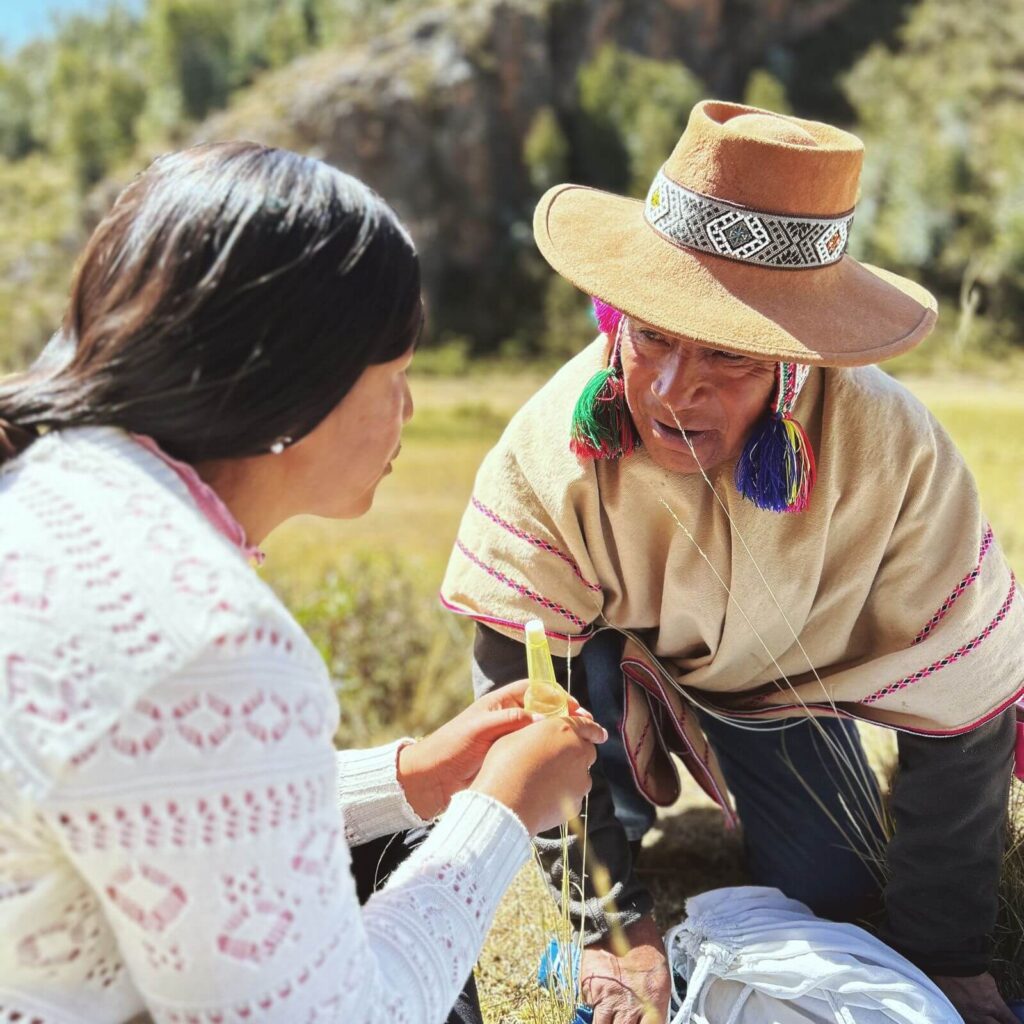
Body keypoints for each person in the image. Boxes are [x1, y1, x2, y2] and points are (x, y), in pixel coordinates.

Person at [441, 101, 1024, 1024]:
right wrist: (610, 926)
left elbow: (965, 708)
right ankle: (618, 826)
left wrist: (944, 958)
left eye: (727, 356)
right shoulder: (549, 452)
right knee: (567, 704)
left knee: (833, 886)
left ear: (799, 366)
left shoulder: (898, 456)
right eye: (654, 338)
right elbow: (518, 694)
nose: (673, 391)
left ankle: (747, 781)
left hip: (773, 685)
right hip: (595, 668)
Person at [0, 141, 606, 1023]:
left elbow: (165, 800)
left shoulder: (53, 490)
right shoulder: (206, 636)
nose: (409, 409)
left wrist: (415, 777)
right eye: (395, 375)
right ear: (294, 381)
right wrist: (502, 812)